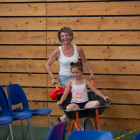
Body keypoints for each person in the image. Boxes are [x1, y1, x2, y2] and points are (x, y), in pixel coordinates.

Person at [45, 27, 95, 123]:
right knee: (72, 101)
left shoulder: (78, 49)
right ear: (60, 38)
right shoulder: (57, 51)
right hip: (64, 79)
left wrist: (91, 72)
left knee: (78, 100)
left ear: (71, 36)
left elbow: (84, 61)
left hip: (76, 77)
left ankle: (63, 119)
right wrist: (52, 77)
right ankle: (78, 127)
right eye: (62, 36)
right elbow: (47, 65)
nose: (65, 38)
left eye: (67, 35)